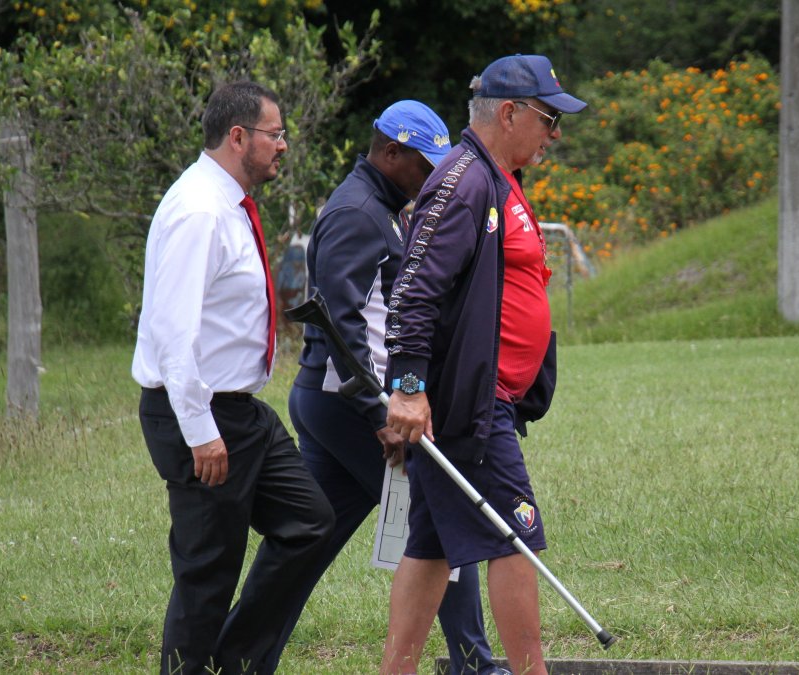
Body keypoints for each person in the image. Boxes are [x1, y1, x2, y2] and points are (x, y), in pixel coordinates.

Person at [261, 101, 507, 675]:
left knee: (306, 540)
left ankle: (241, 657)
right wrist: (380, 412)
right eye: (422, 165)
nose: (430, 177)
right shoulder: (357, 212)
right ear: (389, 152)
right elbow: (339, 322)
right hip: (350, 403)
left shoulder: (383, 207)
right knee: (443, 513)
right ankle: (477, 665)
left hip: (334, 402)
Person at [381, 55, 587, 675]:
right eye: (549, 118)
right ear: (509, 112)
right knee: (517, 532)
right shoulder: (463, 180)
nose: (555, 134)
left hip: (488, 397)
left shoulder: (501, 177)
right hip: (470, 402)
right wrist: (409, 390)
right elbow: (413, 291)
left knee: (431, 545)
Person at [132, 80, 335, 675]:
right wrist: (199, 430)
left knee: (310, 524)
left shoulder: (228, 203)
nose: (284, 146)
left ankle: (234, 663)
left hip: (242, 412)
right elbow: (172, 333)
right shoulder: (197, 210)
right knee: (207, 573)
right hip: (197, 411)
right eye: (275, 134)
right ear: (238, 136)